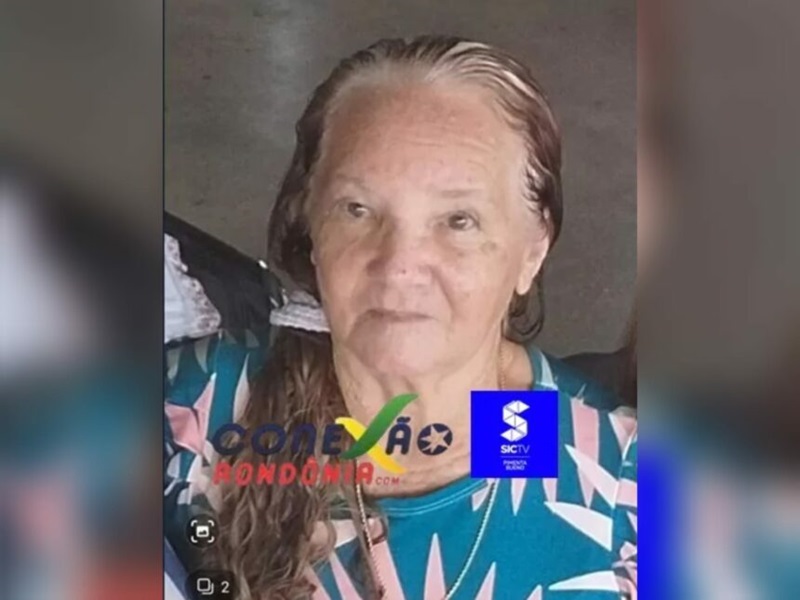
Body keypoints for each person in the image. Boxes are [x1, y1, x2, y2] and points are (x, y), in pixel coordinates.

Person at [165, 35, 637, 599]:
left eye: (458, 220)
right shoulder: (188, 416)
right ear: (311, 227)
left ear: (532, 250)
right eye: (358, 209)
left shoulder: (622, 486)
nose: (399, 267)